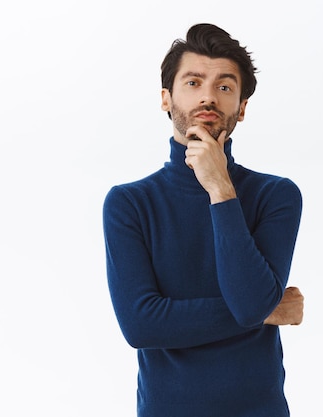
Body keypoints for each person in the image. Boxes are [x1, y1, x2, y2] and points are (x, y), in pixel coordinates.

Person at [102, 23, 304, 416]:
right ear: (166, 98)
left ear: (241, 107)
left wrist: (220, 189)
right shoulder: (129, 203)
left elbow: (248, 305)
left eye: (225, 87)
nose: (208, 97)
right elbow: (141, 326)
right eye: (193, 82)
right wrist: (269, 310)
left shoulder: (276, 196)